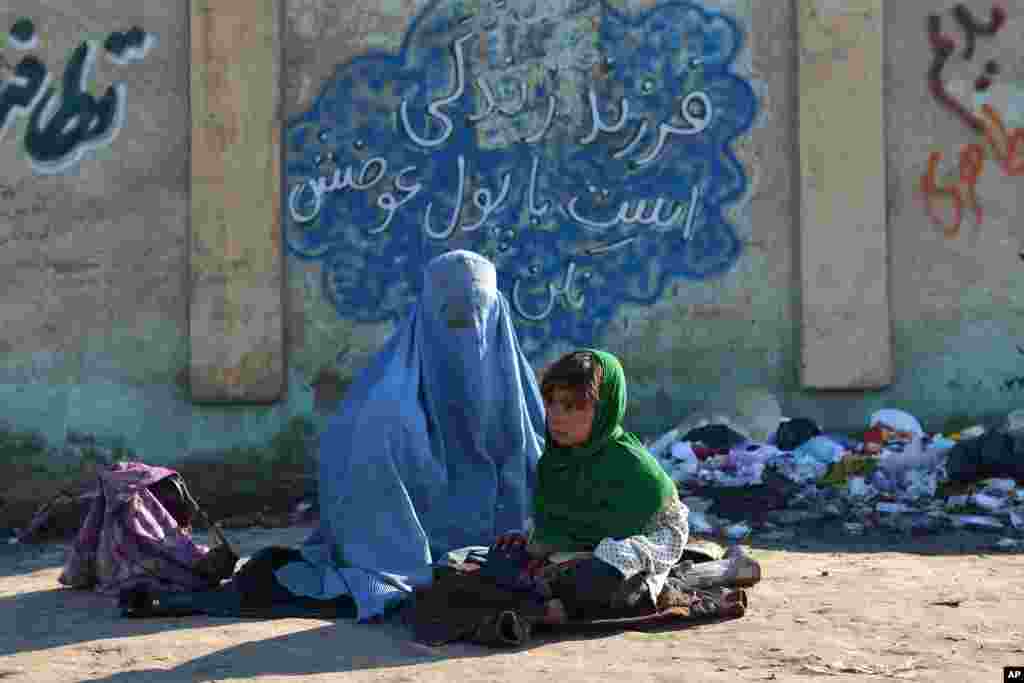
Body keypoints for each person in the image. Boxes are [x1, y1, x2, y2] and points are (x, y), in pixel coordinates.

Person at [273, 250, 547, 621]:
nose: (469, 334)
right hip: (408, 558)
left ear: (498, 314)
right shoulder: (383, 413)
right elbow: (364, 514)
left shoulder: (523, 400)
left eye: (478, 316)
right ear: (427, 315)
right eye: (452, 318)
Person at [495, 349, 690, 624]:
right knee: (501, 558)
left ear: (605, 409)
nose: (556, 416)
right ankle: (550, 597)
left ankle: (557, 604)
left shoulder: (631, 465)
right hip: (575, 549)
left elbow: (633, 525)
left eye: (572, 406)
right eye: (551, 403)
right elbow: (553, 519)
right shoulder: (554, 462)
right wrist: (531, 541)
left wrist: (555, 550)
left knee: (602, 573)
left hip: (642, 538)